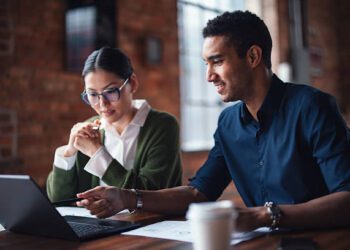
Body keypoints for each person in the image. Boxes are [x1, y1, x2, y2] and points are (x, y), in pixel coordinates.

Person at [76, 11, 350, 231]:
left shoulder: (312, 107)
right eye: (205, 64)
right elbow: (199, 193)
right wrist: (127, 197)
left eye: (217, 62)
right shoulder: (228, 123)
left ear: (253, 56)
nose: (209, 76)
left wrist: (265, 215)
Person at [46, 47, 182, 202]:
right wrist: (69, 153)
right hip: (100, 224)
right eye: (92, 94)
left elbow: (148, 194)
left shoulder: (162, 125)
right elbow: (58, 200)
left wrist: (98, 154)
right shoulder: (88, 130)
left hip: (150, 224)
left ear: (132, 83)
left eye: (110, 91)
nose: (102, 104)